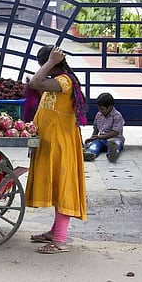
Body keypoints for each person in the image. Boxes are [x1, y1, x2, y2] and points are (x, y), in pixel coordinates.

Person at [25, 45, 87, 254]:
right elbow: (37, 86)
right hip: (50, 142)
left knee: (62, 188)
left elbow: (35, 82)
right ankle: (54, 231)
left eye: (43, 65)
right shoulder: (55, 82)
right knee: (54, 186)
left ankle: (60, 239)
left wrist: (50, 61)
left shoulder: (64, 81)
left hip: (61, 144)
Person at [83, 92, 125, 163]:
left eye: (102, 109)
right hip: (101, 139)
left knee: (116, 145)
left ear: (110, 107)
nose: (100, 111)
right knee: (94, 145)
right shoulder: (99, 115)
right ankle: (90, 153)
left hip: (114, 139)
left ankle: (112, 155)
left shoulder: (117, 116)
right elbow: (96, 129)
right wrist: (92, 138)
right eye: (99, 109)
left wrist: (102, 137)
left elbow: (115, 132)